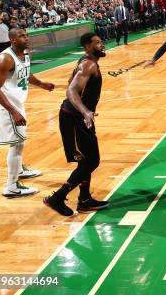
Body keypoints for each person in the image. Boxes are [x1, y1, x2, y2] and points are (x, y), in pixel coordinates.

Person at [44, 33, 108, 215]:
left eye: (101, 41)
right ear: (88, 46)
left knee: (89, 160)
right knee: (91, 161)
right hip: (73, 118)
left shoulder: (86, 62)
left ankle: (85, 199)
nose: (102, 44)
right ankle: (57, 197)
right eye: (97, 42)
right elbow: (71, 90)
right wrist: (85, 111)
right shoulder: (88, 64)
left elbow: (69, 83)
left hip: (80, 118)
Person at [0, 28, 54, 197]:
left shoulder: (25, 53)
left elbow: (25, 73)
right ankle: (11, 186)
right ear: (12, 40)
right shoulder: (4, 58)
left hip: (17, 103)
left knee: (20, 142)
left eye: (26, 35)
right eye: (21, 36)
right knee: (17, 143)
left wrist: (40, 84)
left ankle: (19, 170)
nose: (26, 38)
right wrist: (13, 112)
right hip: (6, 106)